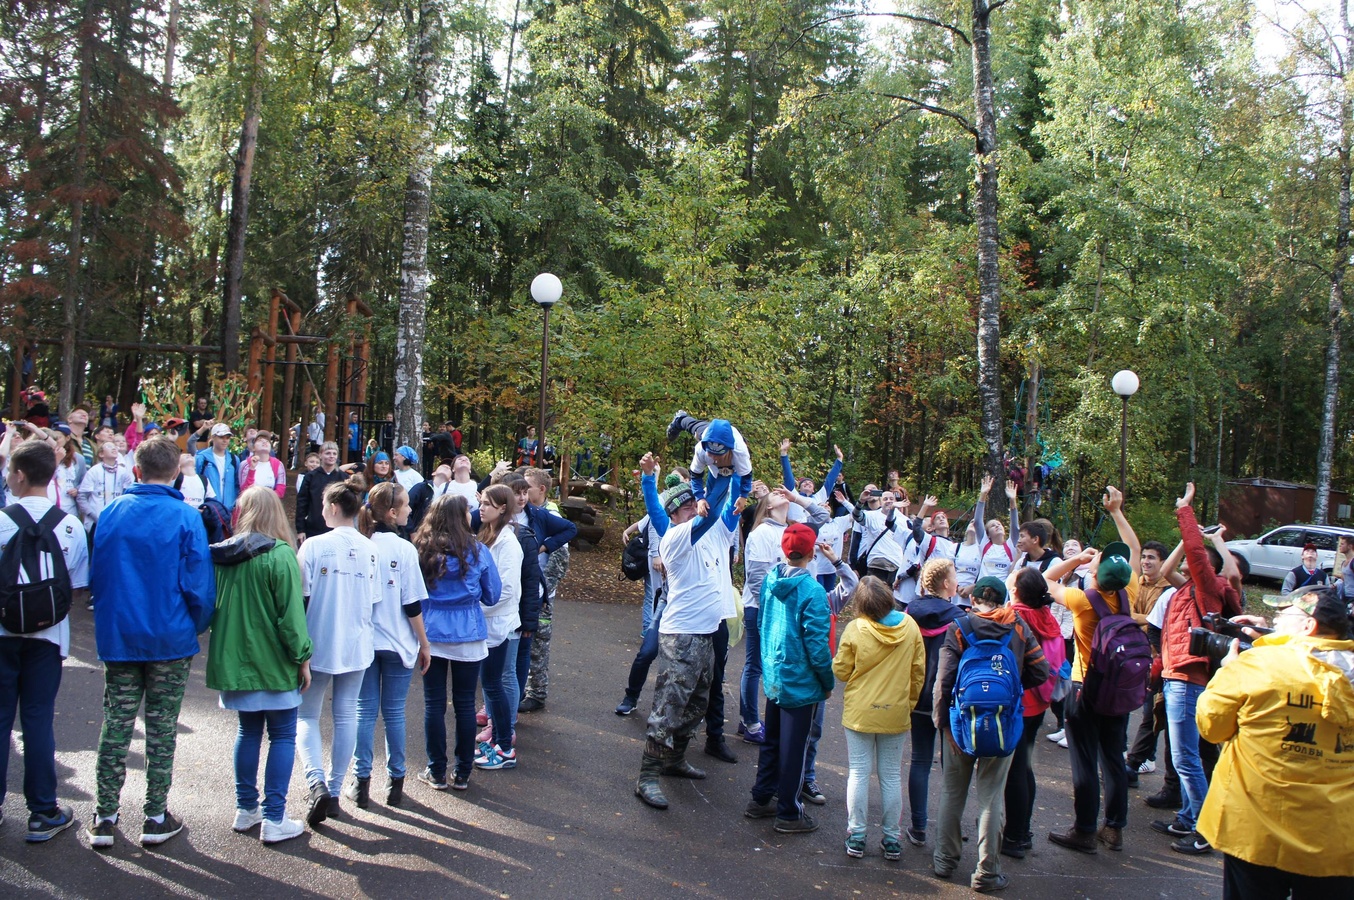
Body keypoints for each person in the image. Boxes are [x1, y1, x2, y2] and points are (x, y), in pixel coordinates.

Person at [87, 436, 216, 849]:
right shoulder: (184, 516)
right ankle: (155, 815)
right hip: (169, 637)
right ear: (176, 471)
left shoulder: (111, 513)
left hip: (122, 635)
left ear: (136, 470)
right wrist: (195, 625)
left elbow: (99, 576)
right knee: (161, 729)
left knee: (117, 723)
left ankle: (105, 815)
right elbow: (198, 583)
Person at [1196, 587, 1354, 899]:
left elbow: (1211, 727)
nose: (1276, 620)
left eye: (1284, 615)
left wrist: (1228, 671)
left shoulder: (1256, 665)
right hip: (1337, 838)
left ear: (1308, 625)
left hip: (1256, 830)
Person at [633, 452, 741, 811]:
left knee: (698, 701)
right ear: (675, 516)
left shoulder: (713, 534)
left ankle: (675, 758)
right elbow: (666, 510)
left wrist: (736, 477)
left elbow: (726, 507)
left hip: (707, 633)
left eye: (696, 506)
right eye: (688, 508)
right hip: (681, 636)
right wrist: (651, 480)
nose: (696, 510)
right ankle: (647, 774)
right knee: (669, 703)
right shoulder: (677, 538)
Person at [206, 487, 313, 845]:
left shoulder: (223, 556)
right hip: (274, 661)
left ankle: (245, 808)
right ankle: (274, 817)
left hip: (236, 661)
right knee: (282, 734)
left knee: (248, 732)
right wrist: (303, 657)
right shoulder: (281, 554)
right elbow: (291, 618)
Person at [1042, 486, 1143, 855]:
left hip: (1085, 688)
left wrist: (1074, 560)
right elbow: (1131, 552)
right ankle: (1114, 828)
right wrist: (1117, 512)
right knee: (1113, 758)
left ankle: (1084, 829)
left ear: (1095, 574)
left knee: (1085, 761)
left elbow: (1047, 580)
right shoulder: (1127, 591)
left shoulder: (1084, 601)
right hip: (1119, 690)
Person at [932, 577, 1049, 893]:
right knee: (991, 796)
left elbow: (943, 682)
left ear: (975, 601)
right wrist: (1011, 690)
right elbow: (1041, 671)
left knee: (952, 793)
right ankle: (986, 872)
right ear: (1003, 600)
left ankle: (945, 861)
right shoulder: (1018, 626)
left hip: (960, 724)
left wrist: (942, 724)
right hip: (1003, 723)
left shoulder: (959, 627)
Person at [0, 440, 90, 843]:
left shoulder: (1, 521)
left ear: (19, 475)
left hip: (2, 633)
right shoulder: (68, 526)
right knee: (37, 719)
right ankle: (42, 811)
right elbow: (78, 587)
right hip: (49, 636)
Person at [1151, 483, 1242, 854]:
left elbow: (1201, 558)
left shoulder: (1208, 587)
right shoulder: (1187, 588)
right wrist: (1186, 539)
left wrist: (1185, 511)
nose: (1193, 560)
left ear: (1208, 568)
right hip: (1176, 677)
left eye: (1200, 559)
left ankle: (1204, 831)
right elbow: (1168, 568)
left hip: (1188, 680)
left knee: (1185, 758)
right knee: (1183, 755)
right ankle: (1188, 818)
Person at [294, 479, 380, 827]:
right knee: (346, 715)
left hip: (318, 641)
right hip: (356, 641)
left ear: (331, 508)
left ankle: (316, 781)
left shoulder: (314, 546)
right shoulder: (369, 548)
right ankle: (332, 785)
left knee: (306, 715)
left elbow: (300, 597)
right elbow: (374, 599)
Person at [743, 522, 834, 834]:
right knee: (794, 748)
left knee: (772, 741)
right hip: (801, 682)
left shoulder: (771, 579)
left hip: (776, 674)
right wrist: (827, 681)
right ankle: (788, 813)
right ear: (811, 553)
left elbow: (763, 622)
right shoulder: (813, 591)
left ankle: (761, 797)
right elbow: (818, 646)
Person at [346, 482, 431, 808]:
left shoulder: (361, 545)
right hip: (397, 642)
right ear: (393, 512)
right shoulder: (402, 549)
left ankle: (361, 780)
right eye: (407, 505)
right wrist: (424, 643)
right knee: (393, 712)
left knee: (364, 711)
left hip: (366, 641)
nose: (411, 509)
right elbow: (412, 604)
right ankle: (395, 781)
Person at [413, 494, 502, 792]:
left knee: (434, 704)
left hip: (431, 633)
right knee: (464, 705)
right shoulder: (477, 551)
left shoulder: (422, 549)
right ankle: (462, 772)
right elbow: (492, 594)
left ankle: (436, 771)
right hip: (468, 632)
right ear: (459, 516)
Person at [833, 575, 925, 860]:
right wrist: (906, 703)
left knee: (859, 773)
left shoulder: (855, 629)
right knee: (891, 776)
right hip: (895, 712)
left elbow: (841, 671)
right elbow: (918, 672)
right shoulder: (910, 626)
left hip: (860, 711)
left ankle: (857, 835)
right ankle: (891, 839)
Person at [739, 482, 829, 744]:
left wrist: (797, 497)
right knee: (756, 664)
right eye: (776, 494)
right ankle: (751, 723)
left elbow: (823, 516)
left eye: (782, 492)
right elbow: (755, 578)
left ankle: (753, 717)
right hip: (761, 608)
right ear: (766, 506)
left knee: (776, 664)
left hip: (787, 610)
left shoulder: (792, 529)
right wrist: (770, 613)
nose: (781, 493)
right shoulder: (760, 534)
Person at [1001, 567, 1068, 859]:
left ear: (1016, 591)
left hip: (1020, 699)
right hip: (1041, 699)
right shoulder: (1047, 617)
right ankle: (1023, 829)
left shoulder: (1014, 617)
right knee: (1025, 765)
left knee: (1014, 769)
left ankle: (1014, 836)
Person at [905, 558, 966, 847]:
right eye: (955, 577)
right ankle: (948, 828)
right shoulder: (959, 619)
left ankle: (918, 828)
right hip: (949, 698)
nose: (958, 581)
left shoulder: (909, 613)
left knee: (920, 760)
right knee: (952, 766)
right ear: (945, 584)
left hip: (917, 695)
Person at [516, 467, 577, 714]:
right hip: (526, 592)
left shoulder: (548, 515)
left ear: (540, 490)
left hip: (539, 596)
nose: (522, 492)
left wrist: (541, 592)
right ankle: (521, 689)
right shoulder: (527, 513)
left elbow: (560, 560)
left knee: (538, 645)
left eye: (526, 487)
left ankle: (537, 693)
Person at [472, 484, 523, 772]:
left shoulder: (508, 544)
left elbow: (505, 590)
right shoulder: (488, 535)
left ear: (503, 508)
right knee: (490, 685)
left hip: (498, 625)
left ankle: (505, 746)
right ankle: (500, 742)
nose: (482, 508)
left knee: (495, 685)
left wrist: (476, 610)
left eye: (489, 504)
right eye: (482, 503)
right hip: (488, 623)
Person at [665, 412, 754, 505]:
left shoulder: (740, 452)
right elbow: (695, 475)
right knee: (692, 426)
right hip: (708, 433)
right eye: (711, 453)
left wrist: (743, 496)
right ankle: (680, 419)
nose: (715, 458)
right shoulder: (701, 448)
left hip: (733, 440)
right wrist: (699, 497)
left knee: (741, 463)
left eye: (718, 455)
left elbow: (746, 475)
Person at [295, 442, 346, 543]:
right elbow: (302, 503)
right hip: (314, 528)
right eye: (328, 453)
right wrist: (300, 529)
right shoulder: (310, 477)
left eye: (334, 453)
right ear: (320, 455)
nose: (331, 456)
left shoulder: (344, 478)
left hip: (337, 528)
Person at [196, 423, 240, 515]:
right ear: (213, 437)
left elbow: (237, 484)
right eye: (221, 437)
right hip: (209, 509)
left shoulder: (234, 459)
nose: (225, 441)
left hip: (229, 511)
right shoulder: (202, 458)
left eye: (227, 438)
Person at [239, 433, 286, 500]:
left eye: (267, 441)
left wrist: (264, 500)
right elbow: (244, 491)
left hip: (270, 505)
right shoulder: (245, 464)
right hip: (250, 505)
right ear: (253, 448)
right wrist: (252, 469)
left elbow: (281, 491)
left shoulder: (278, 464)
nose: (264, 442)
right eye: (260, 440)